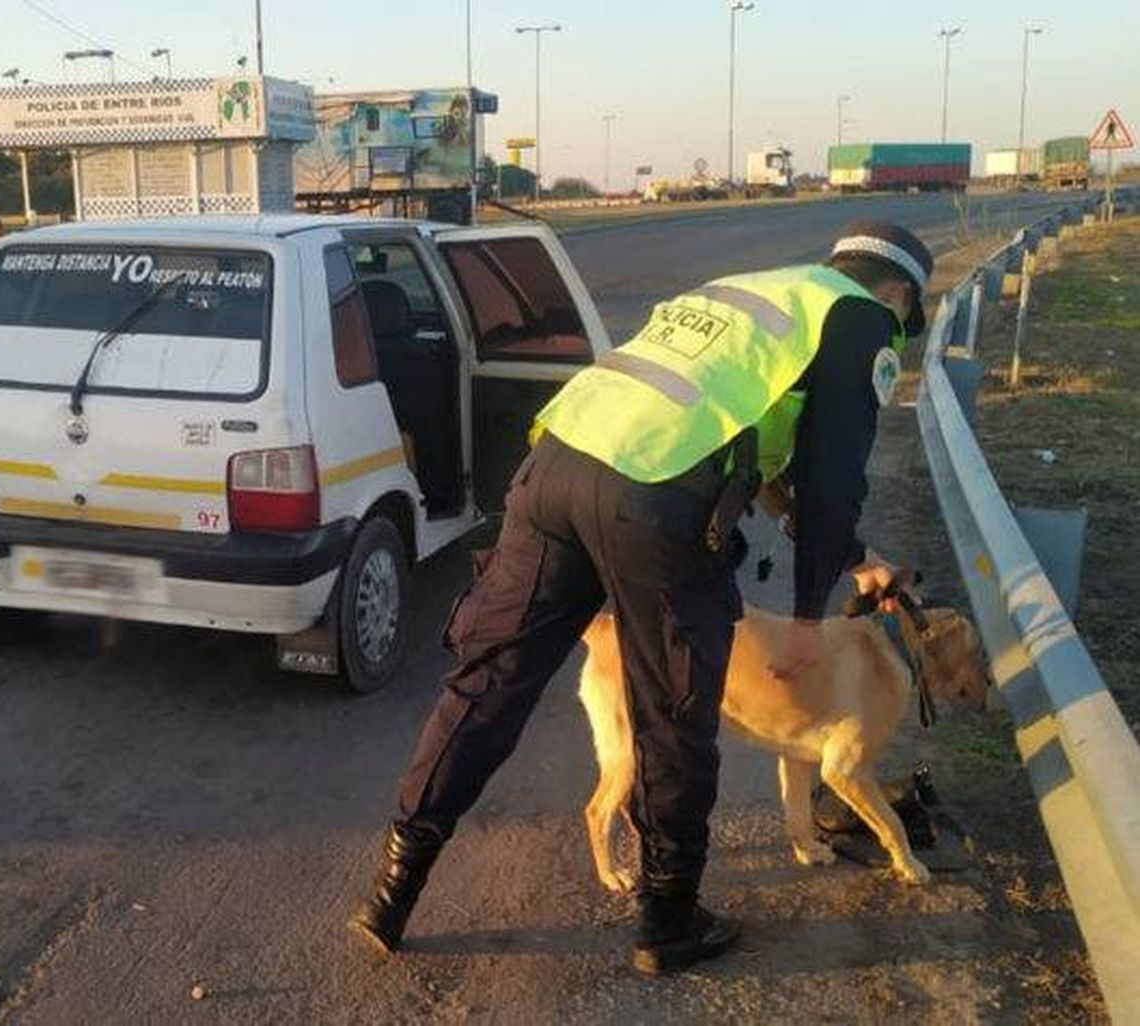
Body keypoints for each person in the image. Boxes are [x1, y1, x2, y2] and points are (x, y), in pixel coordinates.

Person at [349, 221, 935, 975]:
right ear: (900, 296)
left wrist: (856, 559)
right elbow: (832, 487)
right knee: (674, 718)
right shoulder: (861, 319)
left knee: (487, 688)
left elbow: (737, 446)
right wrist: (803, 620)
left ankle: (391, 893)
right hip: (656, 502)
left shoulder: (754, 292)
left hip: (557, 465)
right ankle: (667, 922)